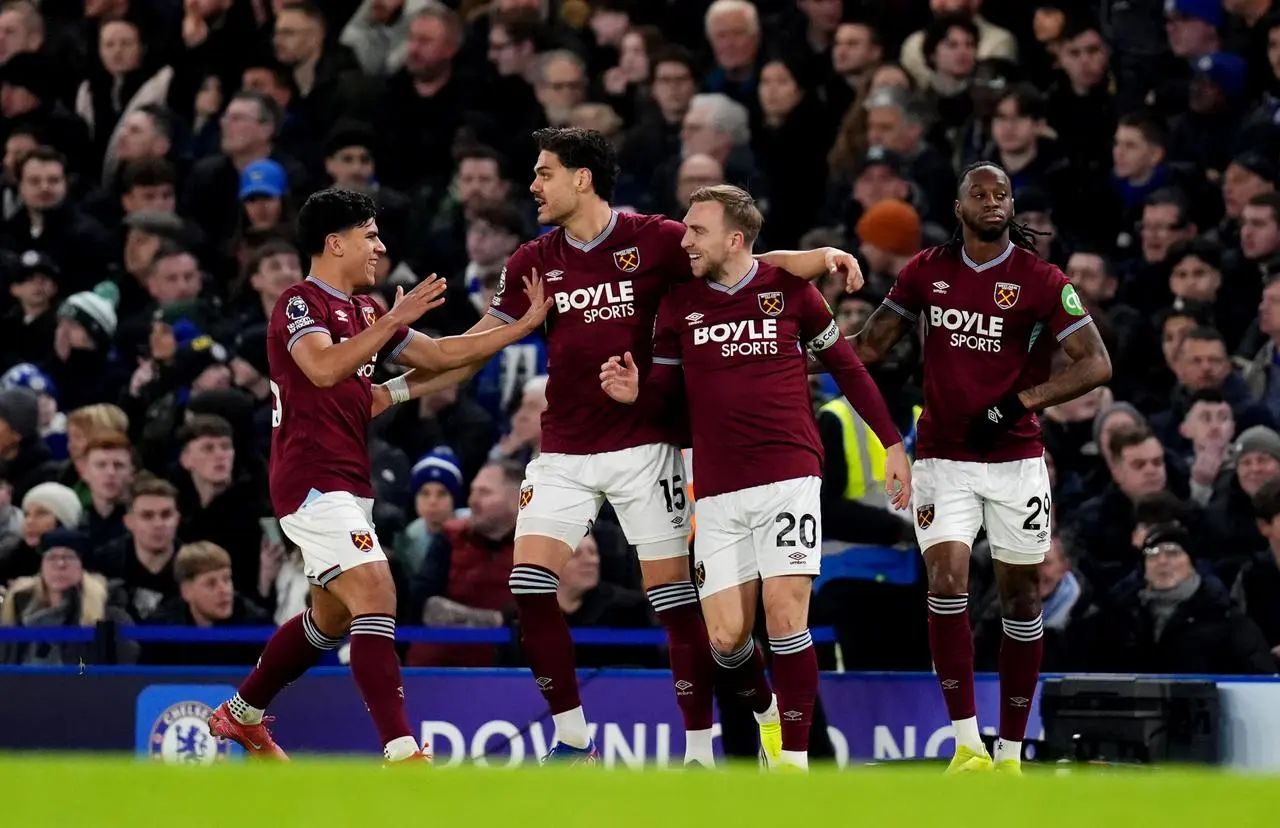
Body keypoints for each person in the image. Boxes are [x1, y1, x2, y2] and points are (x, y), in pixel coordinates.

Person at [388, 127, 861, 765]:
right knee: (529, 586)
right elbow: (468, 351)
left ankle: (699, 749)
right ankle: (572, 739)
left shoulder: (655, 239)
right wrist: (387, 357)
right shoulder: (533, 260)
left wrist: (823, 256)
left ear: (581, 178)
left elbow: (745, 263)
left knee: (674, 606)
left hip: (647, 446)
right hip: (563, 448)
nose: (532, 185)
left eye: (543, 172)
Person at [206, 188, 552, 763]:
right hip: (310, 480)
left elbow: (441, 358)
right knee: (377, 593)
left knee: (331, 615)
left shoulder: (366, 311)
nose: (380, 247)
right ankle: (401, 751)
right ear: (334, 242)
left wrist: (523, 325)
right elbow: (320, 367)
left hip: (350, 481)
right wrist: (395, 318)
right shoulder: (300, 302)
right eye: (369, 235)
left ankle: (241, 714)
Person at [599, 185, 910, 770]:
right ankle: (769, 715)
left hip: (789, 474)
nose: (685, 240)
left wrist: (892, 442)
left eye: (697, 231)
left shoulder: (791, 294)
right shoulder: (679, 307)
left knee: (786, 614)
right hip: (716, 488)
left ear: (734, 239)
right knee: (726, 640)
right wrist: (637, 394)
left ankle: (792, 764)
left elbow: (848, 367)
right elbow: (667, 399)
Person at [844, 162, 1112, 774]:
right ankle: (967, 745)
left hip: (1017, 460)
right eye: (979, 194)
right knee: (946, 583)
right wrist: (779, 353)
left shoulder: (1042, 280)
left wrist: (1020, 403)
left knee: (1020, 600)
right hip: (942, 457)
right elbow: (867, 346)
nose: (992, 202)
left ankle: (1012, 751)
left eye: (1002, 194)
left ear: (1011, 207)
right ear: (958, 206)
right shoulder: (926, 272)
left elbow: (1095, 364)